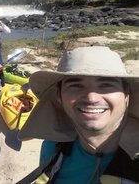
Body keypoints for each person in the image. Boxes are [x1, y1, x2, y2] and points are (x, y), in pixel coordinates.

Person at [17, 46, 139, 183]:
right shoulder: (53, 147)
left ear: (126, 94)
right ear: (59, 96)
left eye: (106, 85)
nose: (91, 98)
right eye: (75, 86)